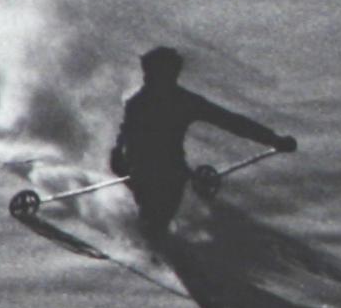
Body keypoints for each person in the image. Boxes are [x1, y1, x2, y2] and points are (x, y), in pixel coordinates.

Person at [111, 46, 296, 245]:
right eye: (148, 73)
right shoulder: (141, 103)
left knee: (155, 221)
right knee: (154, 221)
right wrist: (119, 162)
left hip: (168, 174)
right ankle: (151, 250)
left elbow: (232, 122)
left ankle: (154, 252)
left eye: (154, 73)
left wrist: (273, 139)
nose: (148, 79)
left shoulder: (178, 101)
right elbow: (124, 139)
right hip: (146, 172)